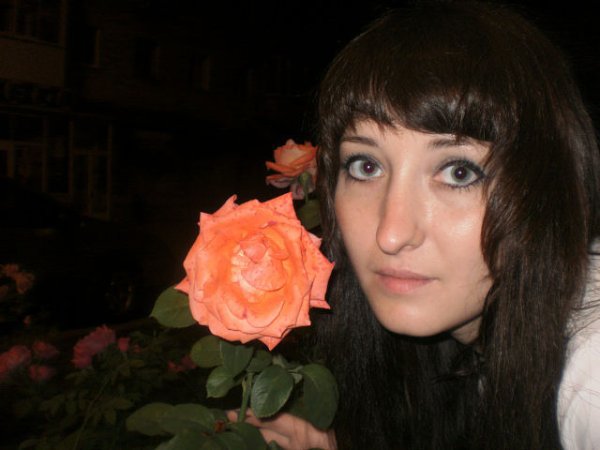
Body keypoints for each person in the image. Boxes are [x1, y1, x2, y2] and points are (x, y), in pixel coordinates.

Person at [238, 1, 600, 448]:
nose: (391, 235)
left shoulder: (591, 381)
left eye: (459, 172)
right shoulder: (465, 354)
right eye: (366, 166)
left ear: (547, 191)